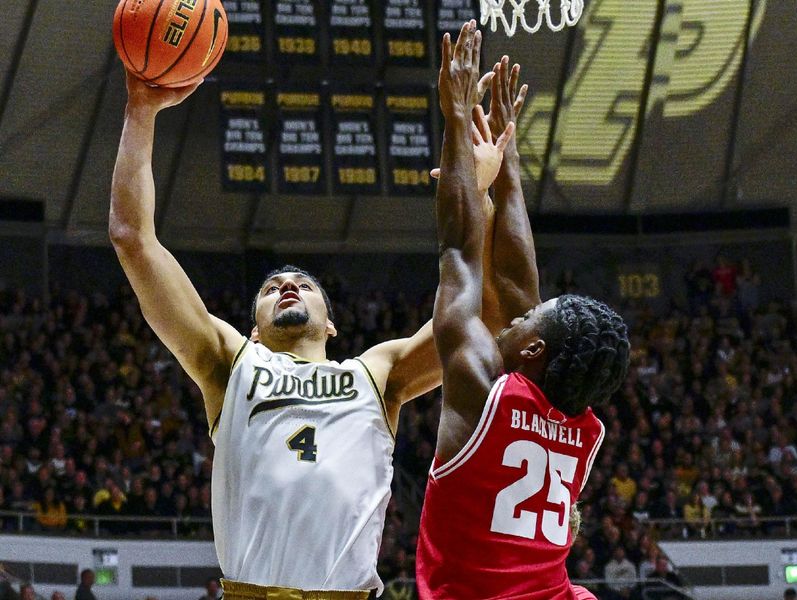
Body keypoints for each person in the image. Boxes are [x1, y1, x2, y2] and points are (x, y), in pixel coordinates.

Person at [109, 35, 503, 596]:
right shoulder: (229, 362)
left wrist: (479, 193)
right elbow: (133, 239)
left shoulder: (377, 372)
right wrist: (140, 111)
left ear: (333, 323)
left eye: (303, 284)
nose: (288, 284)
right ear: (254, 326)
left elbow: (484, 320)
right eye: (272, 286)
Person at [416, 22, 631, 600]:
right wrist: (505, 159)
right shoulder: (584, 429)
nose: (513, 318)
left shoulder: (482, 389)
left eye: (523, 324)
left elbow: (459, 249)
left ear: (533, 350)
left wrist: (457, 118)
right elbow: (514, 285)